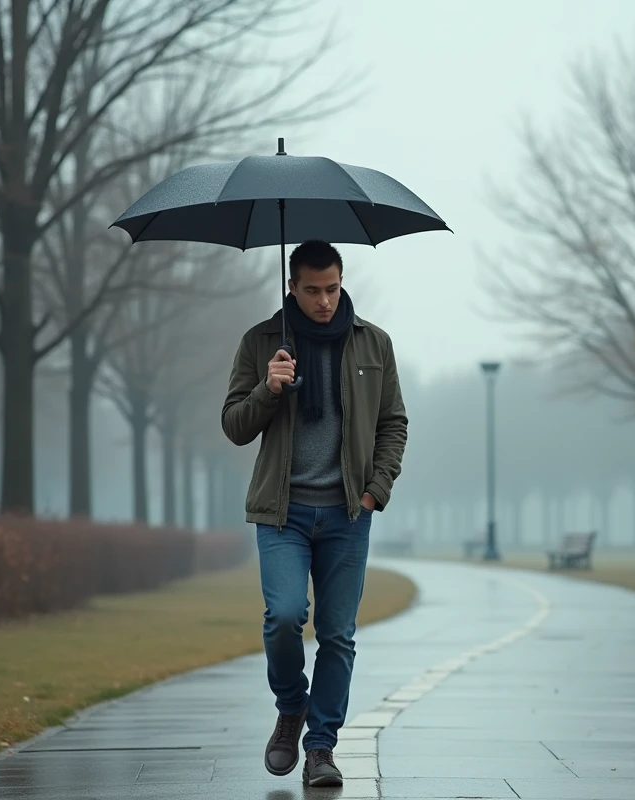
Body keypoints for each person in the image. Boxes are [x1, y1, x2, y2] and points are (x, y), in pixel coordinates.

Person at [221, 240, 408, 787]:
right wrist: (269, 388)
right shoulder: (261, 343)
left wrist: (375, 490)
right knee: (283, 617)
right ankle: (290, 708)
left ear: (341, 281)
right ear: (291, 287)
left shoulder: (373, 343)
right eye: (312, 291)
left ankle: (321, 748)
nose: (325, 301)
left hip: (349, 514)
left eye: (332, 288)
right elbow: (234, 425)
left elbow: (392, 423)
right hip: (283, 515)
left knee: (337, 635)